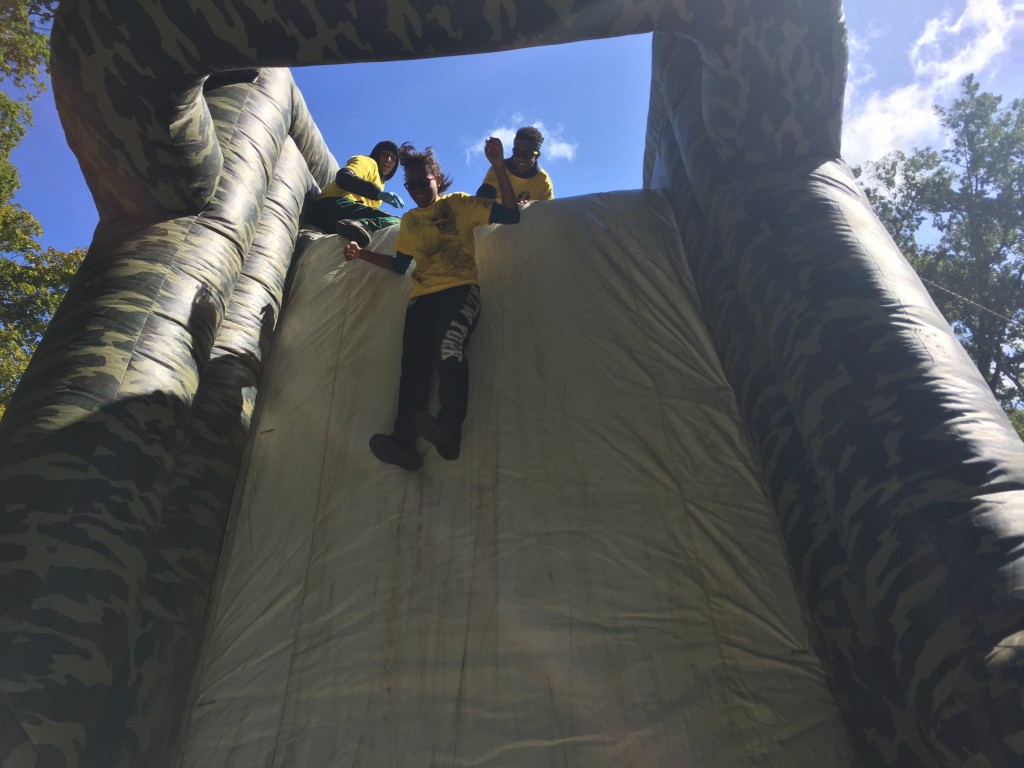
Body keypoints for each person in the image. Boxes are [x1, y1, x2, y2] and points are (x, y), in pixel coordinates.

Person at [343, 139, 520, 471]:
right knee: (413, 368)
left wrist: (499, 165)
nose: (417, 190)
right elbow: (400, 265)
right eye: (410, 186)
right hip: (420, 299)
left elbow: (510, 215)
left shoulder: (460, 205)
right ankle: (403, 442)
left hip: (459, 290)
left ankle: (449, 430)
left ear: (437, 177)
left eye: (424, 183)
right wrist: (361, 254)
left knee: (449, 347)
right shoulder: (409, 221)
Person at [307, 140, 405, 245]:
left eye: (393, 158)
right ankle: (362, 224)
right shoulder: (368, 162)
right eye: (385, 154)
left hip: (337, 220)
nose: (388, 159)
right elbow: (343, 177)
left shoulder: (381, 182)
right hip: (332, 205)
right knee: (398, 222)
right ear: (377, 154)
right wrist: (377, 193)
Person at [475, 126, 554, 206]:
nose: (521, 158)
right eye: (517, 152)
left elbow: (547, 212)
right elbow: (483, 199)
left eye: (528, 154)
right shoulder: (497, 168)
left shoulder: (542, 180)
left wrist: (528, 210)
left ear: (537, 155)